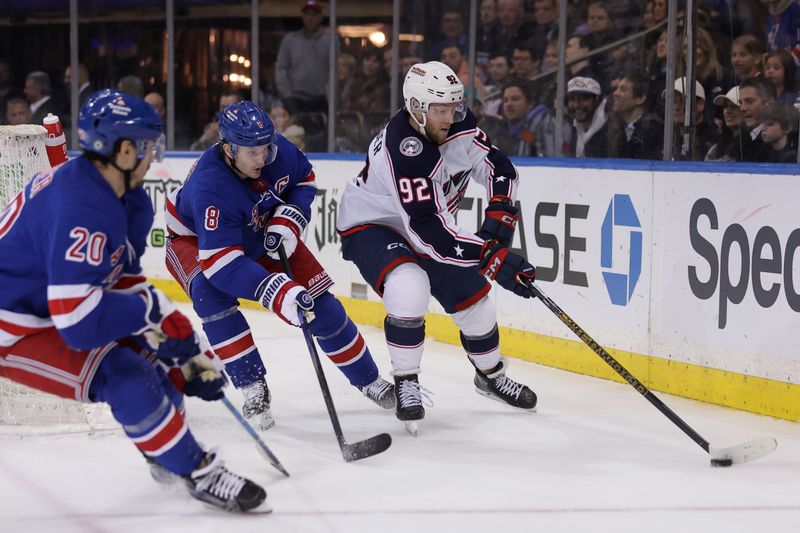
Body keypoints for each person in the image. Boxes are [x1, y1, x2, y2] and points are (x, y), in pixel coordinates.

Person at [0, 89, 267, 513]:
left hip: (55, 300)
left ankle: (164, 449)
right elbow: (77, 322)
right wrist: (151, 316)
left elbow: (119, 279)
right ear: (124, 150)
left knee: (162, 363)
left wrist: (187, 351)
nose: (152, 154)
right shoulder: (80, 207)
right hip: (15, 321)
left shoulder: (128, 198)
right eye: (147, 145)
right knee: (125, 375)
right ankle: (194, 470)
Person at [164, 100, 395, 431]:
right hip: (198, 242)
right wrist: (276, 290)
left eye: (265, 149)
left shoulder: (275, 149)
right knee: (209, 294)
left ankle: (369, 380)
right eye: (251, 153)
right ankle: (252, 386)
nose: (262, 158)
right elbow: (221, 264)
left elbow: (304, 180)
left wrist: (290, 218)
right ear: (228, 149)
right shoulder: (209, 185)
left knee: (321, 305)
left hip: (257, 231)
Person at [336, 61, 538, 433]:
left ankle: (491, 377)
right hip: (373, 225)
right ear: (415, 107)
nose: (449, 117)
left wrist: (501, 209)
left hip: (424, 223)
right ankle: (406, 381)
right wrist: (490, 255)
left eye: (454, 108)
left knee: (476, 302)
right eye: (439, 110)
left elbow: (498, 167)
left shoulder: (456, 123)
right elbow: (429, 234)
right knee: (409, 284)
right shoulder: (405, 149)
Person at [275, 0, 331, 114]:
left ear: (321, 17)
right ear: (303, 16)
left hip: (321, 99)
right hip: (295, 100)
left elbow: (335, 70)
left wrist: (332, 97)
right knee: (295, 131)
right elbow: (281, 68)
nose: (310, 18)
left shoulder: (330, 40)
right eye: (307, 14)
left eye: (314, 14)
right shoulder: (290, 39)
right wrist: (287, 96)